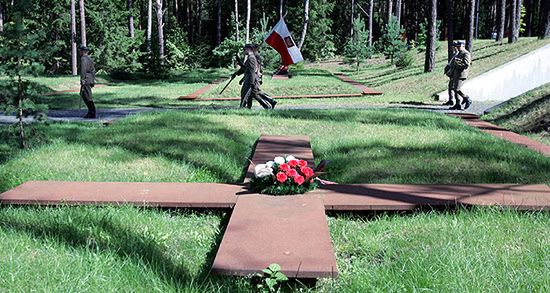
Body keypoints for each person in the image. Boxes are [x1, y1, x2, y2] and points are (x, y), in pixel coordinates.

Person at [232, 44, 277, 109]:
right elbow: (246, 68)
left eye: (244, 50)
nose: (244, 52)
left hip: (252, 79)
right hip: (249, 78)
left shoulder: (252, 58)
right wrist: (237, 73)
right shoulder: (250, 58)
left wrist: (252, 82)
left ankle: (243, 107)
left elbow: (252, 71)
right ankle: (267, 104)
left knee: (249, 93)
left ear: (248, 49)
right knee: (253, 94)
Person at [444, 40, 472, 110]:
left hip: (461, 74)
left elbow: (466, 64)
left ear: (463, 46)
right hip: (456, 73)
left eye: (459, 46)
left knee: (457, 89)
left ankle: (466, 98)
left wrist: (457, 65)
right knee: (454, 88)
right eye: (457, 46)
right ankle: (458, 104)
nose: (458, 48)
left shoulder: (466, 53)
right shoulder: (459, 53)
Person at [79, 45, 96, 118]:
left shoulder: (83, 59)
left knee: (87, 96)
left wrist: (83, 79)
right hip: (89, 79)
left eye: (80, 51)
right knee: (84, 94)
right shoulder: (89, 58)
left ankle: (92, 112)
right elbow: (93, 70)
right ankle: (91, 111)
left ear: (82, 51)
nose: (79, 52)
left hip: (86, 79)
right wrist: (92, 79)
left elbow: (83, 70)